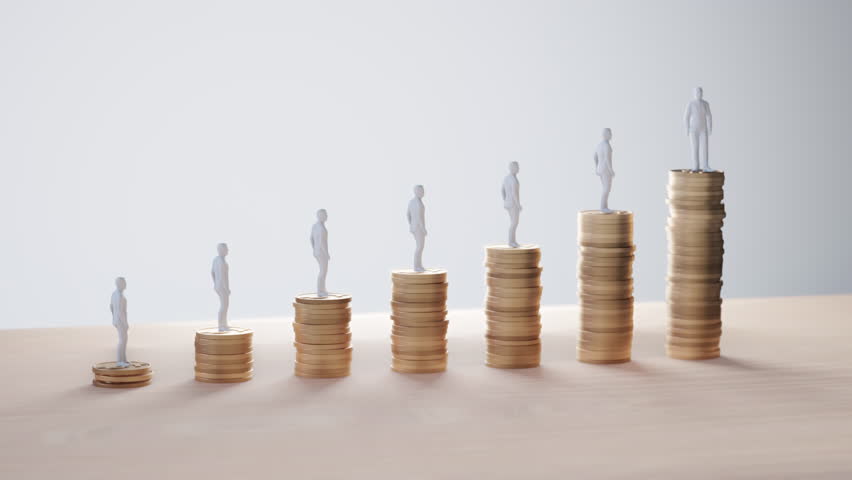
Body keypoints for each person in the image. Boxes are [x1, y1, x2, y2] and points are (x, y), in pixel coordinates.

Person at [684, 86, 714, 172]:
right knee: (695, 147)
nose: (699, 94)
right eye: (697, 92)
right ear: (694, 94)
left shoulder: (705, 104)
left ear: (702, 93)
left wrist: (710, 127)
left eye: (700, 92)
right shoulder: (691, 104)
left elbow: (709, 116)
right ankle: (695, 166)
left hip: (703, 129)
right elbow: (686, 117)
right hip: (693, 129)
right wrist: (687, 128)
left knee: (705, 147)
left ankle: (705, 166)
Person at [594, 128, 615, 213]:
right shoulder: (606, 145)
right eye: (610, 134)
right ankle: (603, 207)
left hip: (600, 169)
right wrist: (611, 170)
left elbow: (594, 156)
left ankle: (604, 206)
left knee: (605, 188)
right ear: (606, 135)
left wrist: (596, 167)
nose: (611, 135)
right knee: (607, 188)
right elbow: (607, 159)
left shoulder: (599, 145)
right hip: (606, 169)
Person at [407, 185, 427, 272]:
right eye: (421, 191)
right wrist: (423, 229)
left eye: (423, 191)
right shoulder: (417, 203)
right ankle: (417, 266)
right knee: (420, 247)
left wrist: (411, 225)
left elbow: (408, 214)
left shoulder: (412, 201)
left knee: (419, 247)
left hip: (415, 227)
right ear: (416, 191)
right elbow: (419, 217)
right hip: (418, 227)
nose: (423, 193)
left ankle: (419, 265)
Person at [110, 277, 129, 367]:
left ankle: (123, 359)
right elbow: (121, 311)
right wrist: (125, 323)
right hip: (120, 321)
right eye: (124, 283)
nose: (125, 285)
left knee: (124, 340)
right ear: (120, 284)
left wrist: (114, 318)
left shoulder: (114, 294)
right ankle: (120, 361)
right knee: (122, 340)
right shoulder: (119, 296)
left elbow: (111, 307)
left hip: (117, 320)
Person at [501, 162, 522, 247]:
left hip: (508, 203)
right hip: (513, 204)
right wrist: (518, 205)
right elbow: (514, 193)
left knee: (512, 223)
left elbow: (502, 190)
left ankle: (512, 241)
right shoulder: (513, 179)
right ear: (512, 168)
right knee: (514, 223)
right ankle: (511, 242)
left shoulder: (506, 178)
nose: (518, 169)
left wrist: (505, 200)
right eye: (517, 167)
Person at [310, 209, 330, 297]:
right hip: (322, 252)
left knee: (322, 271)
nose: (327, 216)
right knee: (323, 271)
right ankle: (320, 291)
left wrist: (314, 249)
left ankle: (322, 289)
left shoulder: (315, 226)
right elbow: (322, 243)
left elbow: (311, 238)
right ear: (320, 216)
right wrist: (327, 253)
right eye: (325, 215)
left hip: (317, 252)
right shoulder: (321, 228)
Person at [211, 243, 230, 331]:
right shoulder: (221, 261)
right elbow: (223, 277)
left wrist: (215, 284)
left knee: (224, 305)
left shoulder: (216, 259)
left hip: (218, 286)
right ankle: (221, 326)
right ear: (221, 250)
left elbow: (212, 272)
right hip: (222, 287)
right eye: (226, 249)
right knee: (224, 306)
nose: (228, 250)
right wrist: (227, 289)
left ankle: (224, 324)